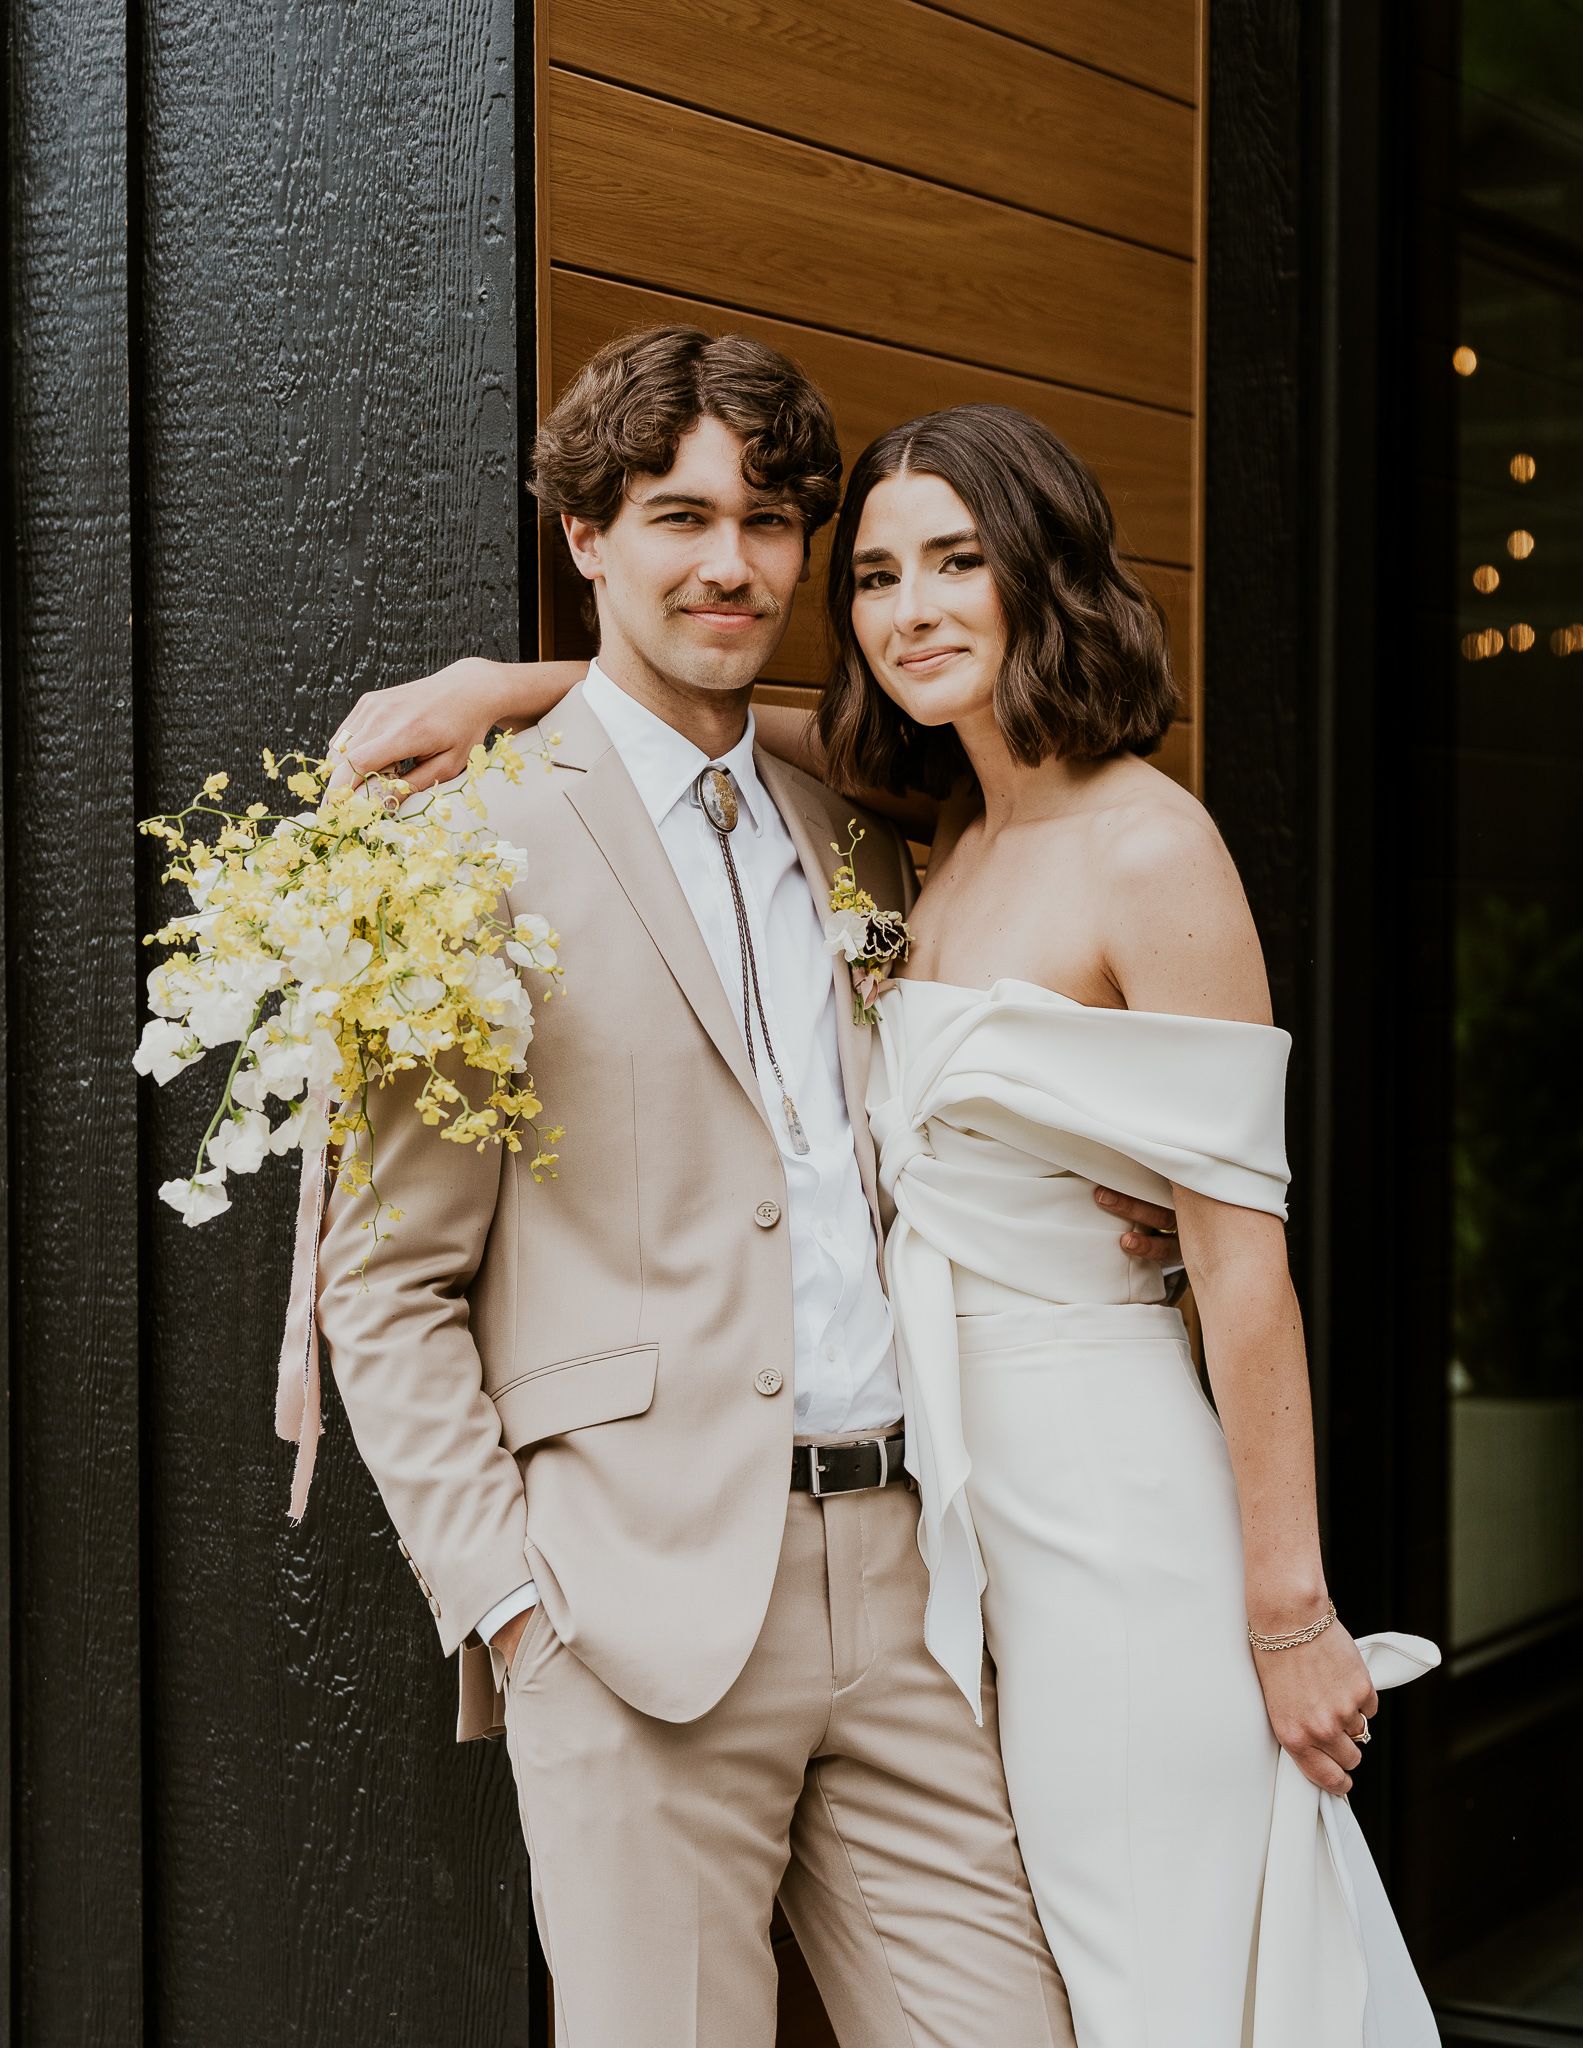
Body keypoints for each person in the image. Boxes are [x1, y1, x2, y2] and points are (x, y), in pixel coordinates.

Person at [345, 375, 1440, 2045]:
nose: (751, 568)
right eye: (877, 571)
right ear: (586, 537)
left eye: (775, 527)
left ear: (1036, 574)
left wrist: (1292, 1612)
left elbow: (1242, 1268)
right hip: (652, 1600)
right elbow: (387, 1281)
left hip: (956, 1572)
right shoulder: (555, 841)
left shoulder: (901, 833)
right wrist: (511, 1603)